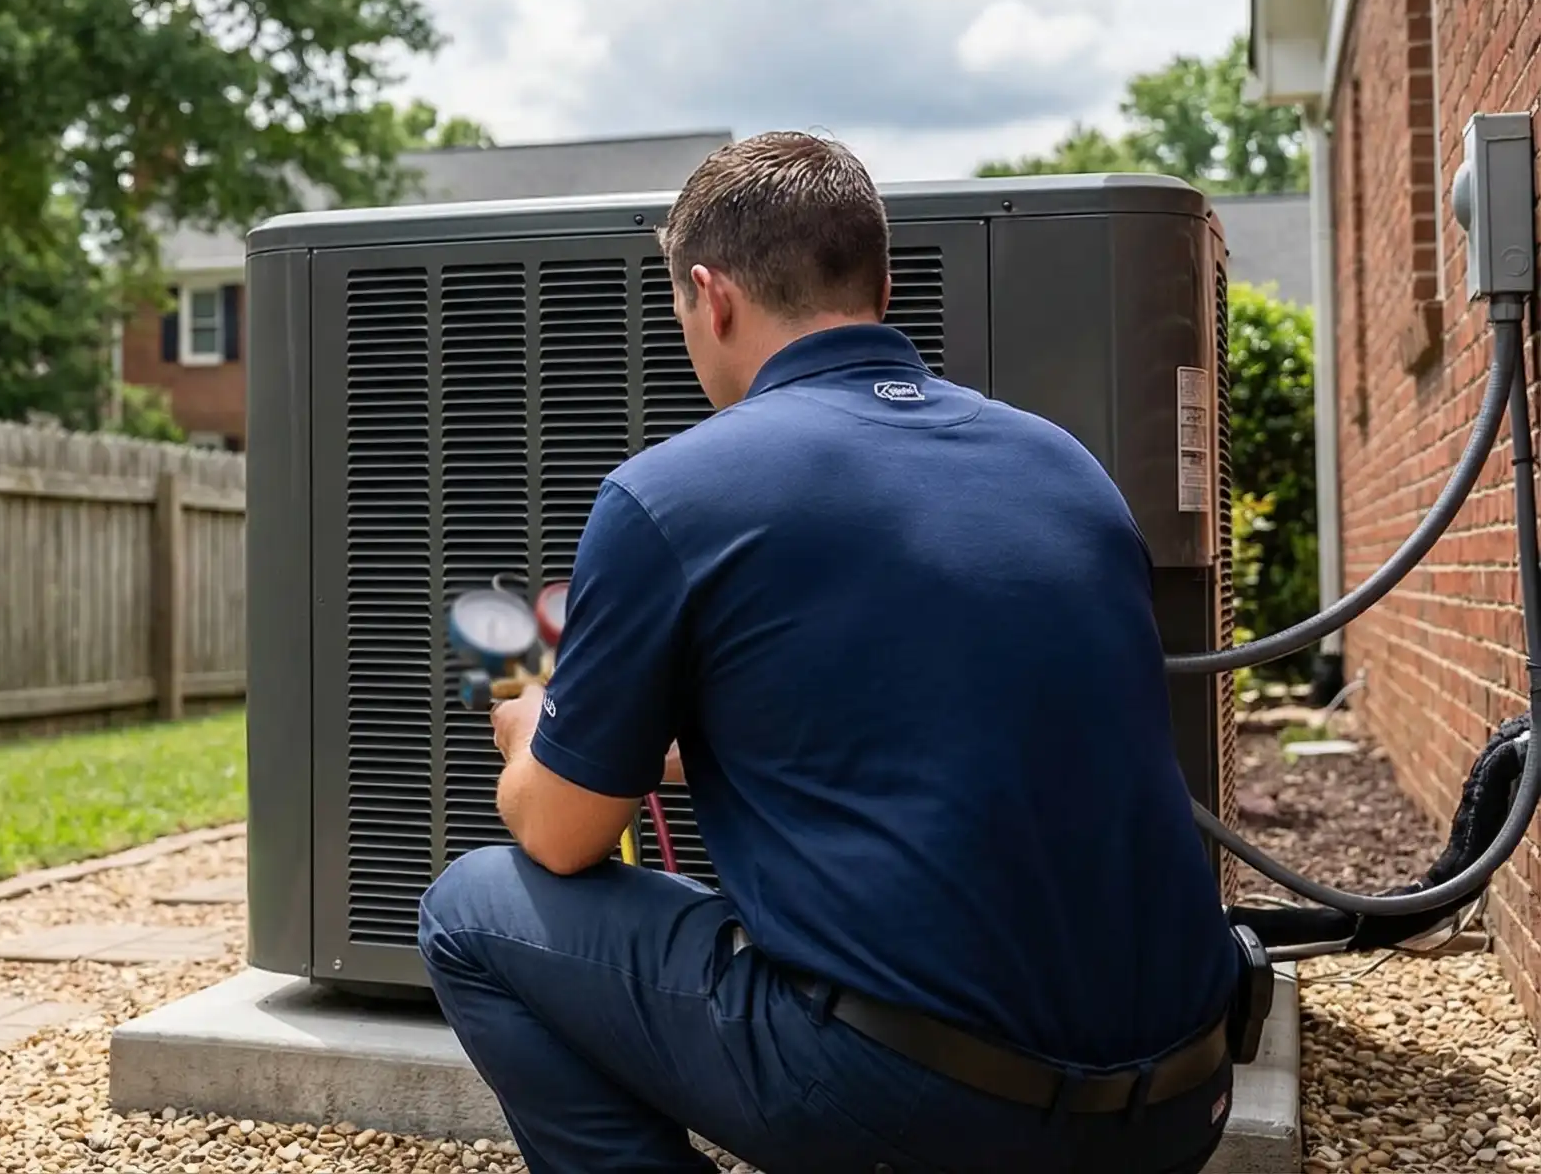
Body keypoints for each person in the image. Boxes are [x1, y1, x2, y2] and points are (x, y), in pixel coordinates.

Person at [416, 131, 1242, 1174]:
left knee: (469, 910)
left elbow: (560, 836)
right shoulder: (1061, 465)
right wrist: (665, 749)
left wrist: (542, 734)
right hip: (1178, 1100)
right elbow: (934, 736)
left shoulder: (670, 492)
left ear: (708, 297)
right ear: (882, 287)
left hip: (929, 1110)